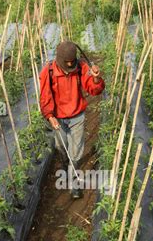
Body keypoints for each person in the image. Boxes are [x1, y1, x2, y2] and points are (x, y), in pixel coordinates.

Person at [39, 41, 105, 198]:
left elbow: (93, 89)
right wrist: (50, 116)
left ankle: (74, 182)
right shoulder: (48, 72)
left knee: (76, 150)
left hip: (77, 116)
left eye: (72, 63)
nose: (70, 67)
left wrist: (96, 79)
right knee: (61, 146)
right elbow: (45, 97)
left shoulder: (81, 67)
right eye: (66, 64)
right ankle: (64, 162)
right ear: (59, 60)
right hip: (58, 118)